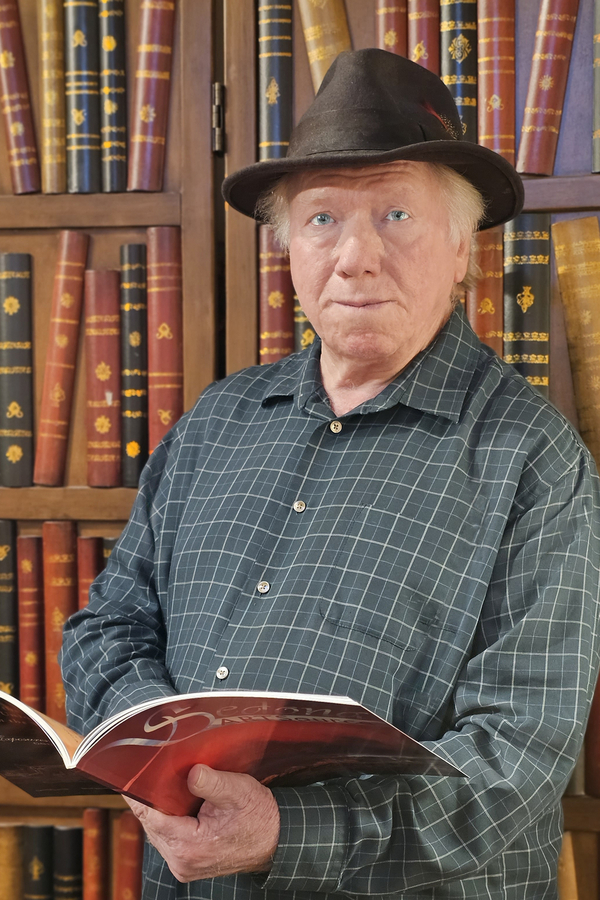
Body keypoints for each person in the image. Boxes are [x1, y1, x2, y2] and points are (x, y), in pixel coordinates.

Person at [61, 49, 600, 899]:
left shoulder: (534, 459)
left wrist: (285, 831)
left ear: (462, 246)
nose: (354, 257)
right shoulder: (217, 419)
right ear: (289, 251)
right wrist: (152, 756)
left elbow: (517, 758)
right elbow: (108, 626)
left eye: (395, 213)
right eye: (321, 219)